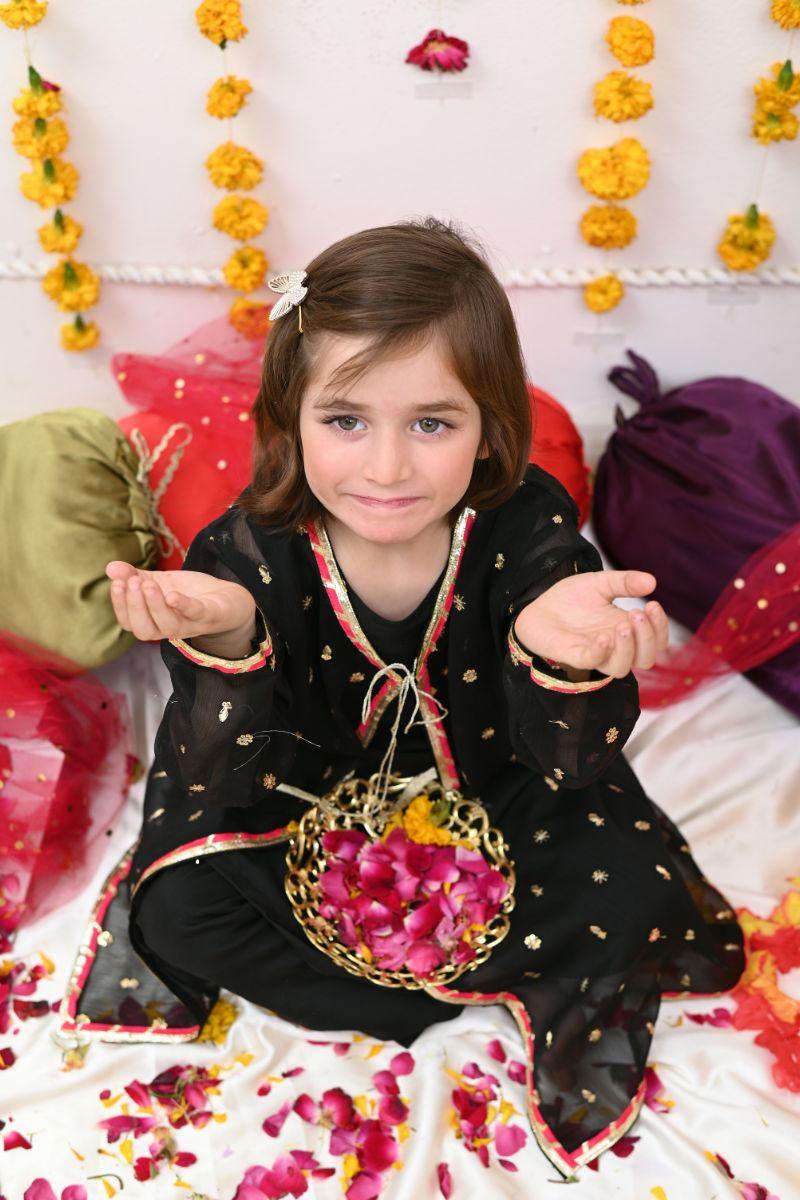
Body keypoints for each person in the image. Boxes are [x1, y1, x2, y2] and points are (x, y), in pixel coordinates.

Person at [88, 218, 743, 1176]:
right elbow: (216, 767)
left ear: (489, 426)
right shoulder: (250, 545)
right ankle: (413, 999)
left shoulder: (524, 523)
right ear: (290, 418)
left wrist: (560, 657)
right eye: (345, 422)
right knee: (180, 908)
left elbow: (570, 759)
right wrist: (228, 639)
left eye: (432, 424)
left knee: (633, 890)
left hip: (497, 790)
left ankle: (450, 964)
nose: (387, 468)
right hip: (300, 803)